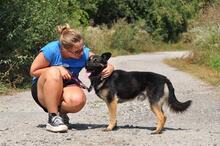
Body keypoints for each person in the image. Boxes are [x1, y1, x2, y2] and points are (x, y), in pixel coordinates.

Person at [29, 24, 114, 132]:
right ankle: (53, 117)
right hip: (43, 89)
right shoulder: (51, 50)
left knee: (78, 100)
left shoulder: (83, 53)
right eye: (77, 51)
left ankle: (61, 114)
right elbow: (33, 71)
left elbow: (98, 61)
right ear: (63, 49)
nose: (82, 53)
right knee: (54, 72)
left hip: (66, 86)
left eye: (82, 48)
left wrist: (109, 66)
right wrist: (58, 68)